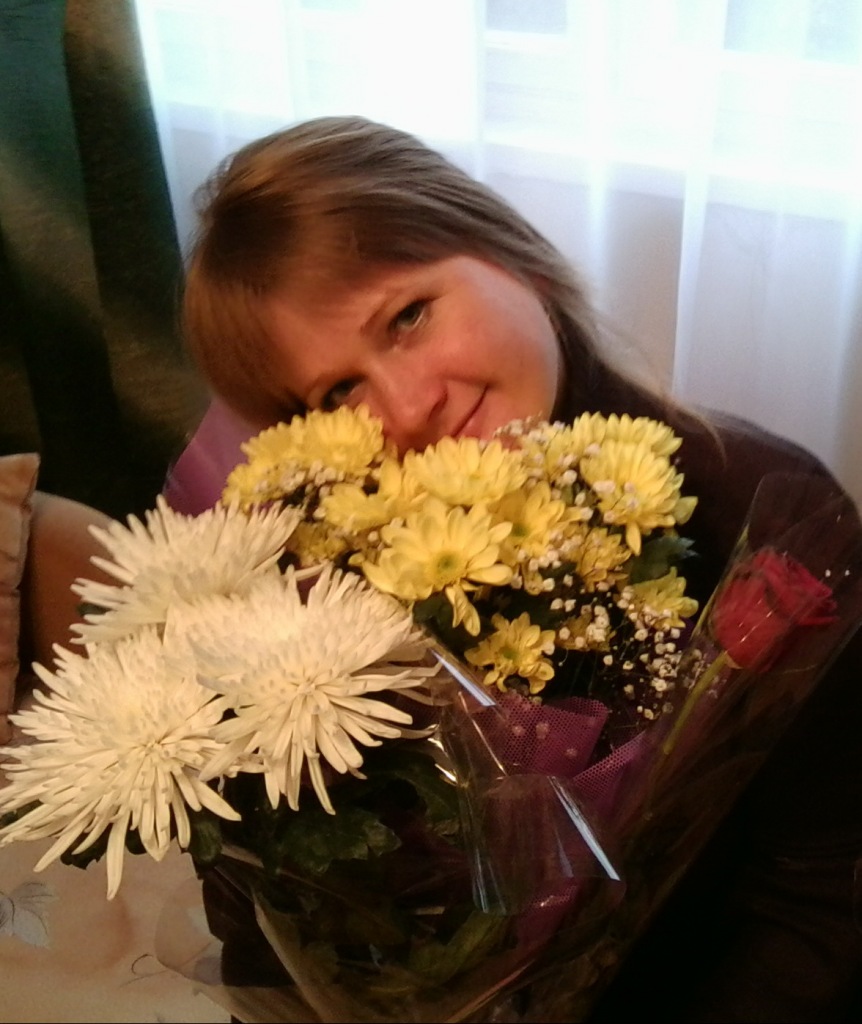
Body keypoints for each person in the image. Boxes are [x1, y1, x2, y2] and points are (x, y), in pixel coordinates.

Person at [172, 115, 862, 1022]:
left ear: (514, 254)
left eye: (408, 317)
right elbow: (266, 911)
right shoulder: (305, 597)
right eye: (338, 392)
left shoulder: (768, 513)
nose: (408, 407)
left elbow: (821, 893)